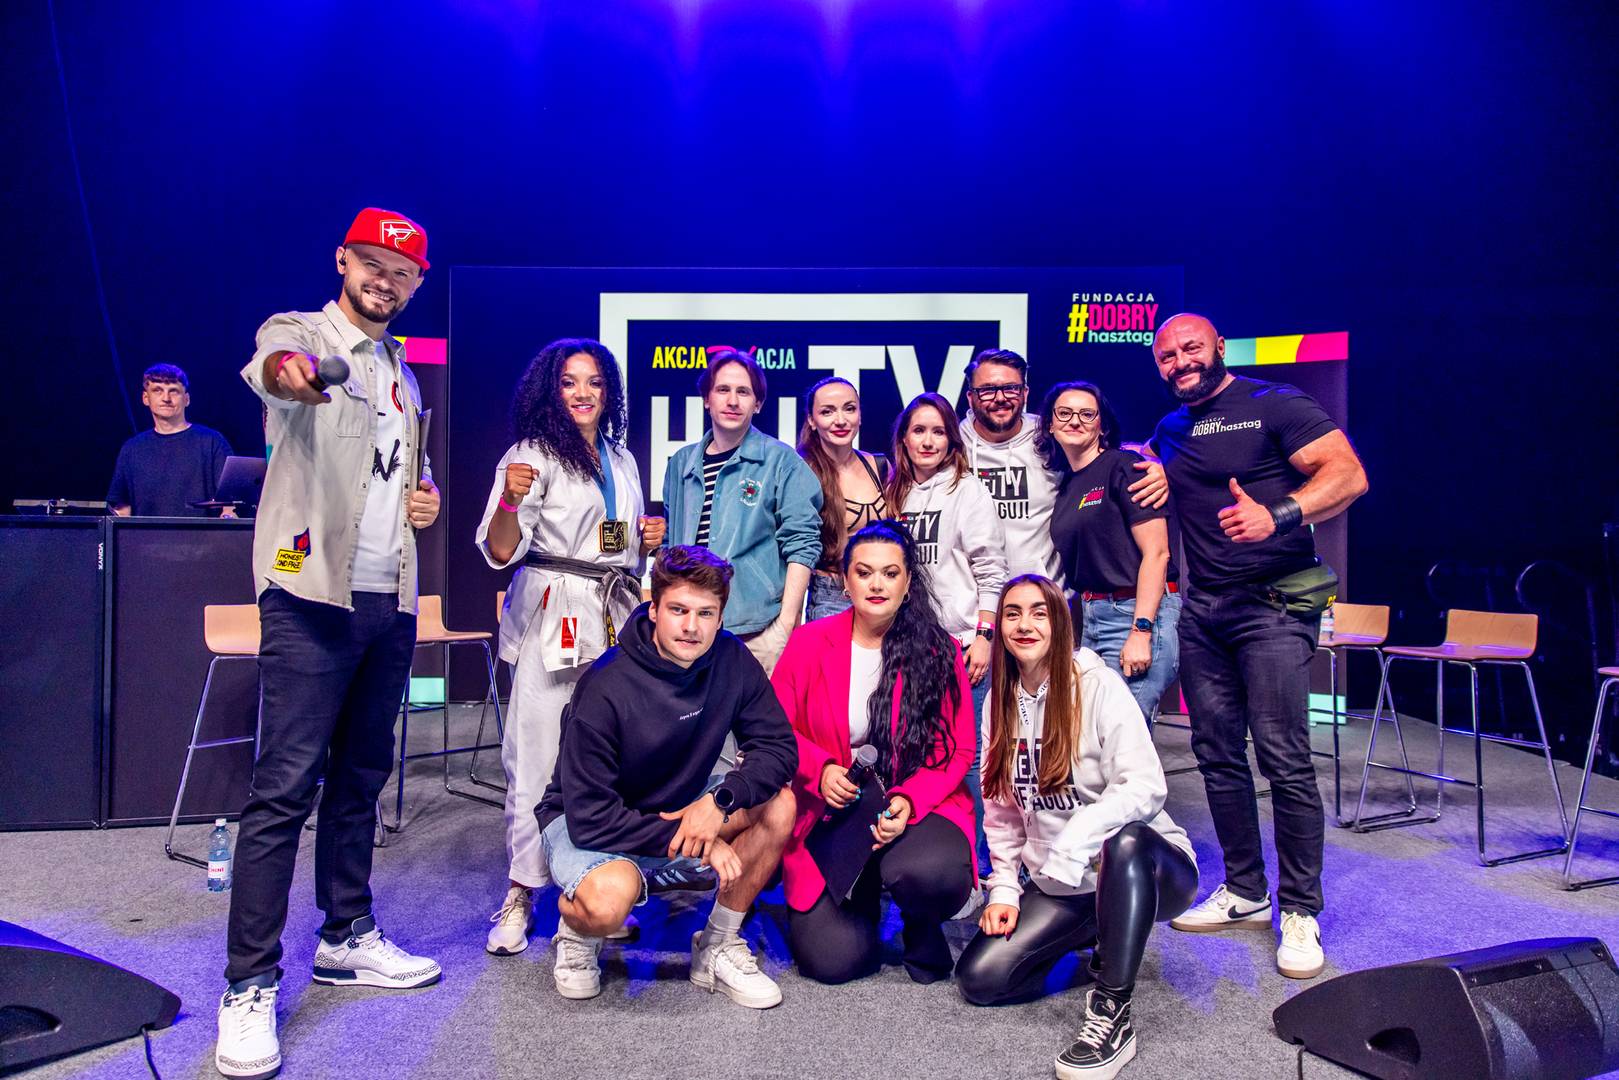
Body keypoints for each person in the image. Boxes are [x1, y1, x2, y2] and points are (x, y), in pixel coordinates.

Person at [216, 208, 443, 1080]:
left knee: (360, 779)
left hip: (389, 598)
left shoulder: (401, 371)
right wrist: (302, 375)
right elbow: (279, 372)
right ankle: (249, 984)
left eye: (402, 273)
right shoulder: (303, 333)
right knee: (283, 791)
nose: (385, 281)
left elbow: (399, 471)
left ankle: (345, 934)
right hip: (310, 593)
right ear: (343, 260)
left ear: (415, 285)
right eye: (373, 264)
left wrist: (424, 497)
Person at [1145, 313, 1367, 980]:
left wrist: (1278, 513)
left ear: (1217, 347)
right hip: (1205, 610)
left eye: (1191, 348)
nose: (1180, 361)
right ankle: (1246, 890)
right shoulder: (1171, 429)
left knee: (1282, 757)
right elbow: (1151, 465)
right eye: (1166, 355)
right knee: (1216, 754)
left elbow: (1348, 475)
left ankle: (1299, 909)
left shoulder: (1276, 403)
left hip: (1272, 605)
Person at [956, 575, 1197, 1080]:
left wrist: (1076, 838)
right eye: (1012, 613)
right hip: (1064, 883)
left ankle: (1112, 1010)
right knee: (981, 979)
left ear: (1060, 623)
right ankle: (1103, 934)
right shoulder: (999, 702)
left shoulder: (1098, 686)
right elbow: (1001, 811)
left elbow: (1145, 786)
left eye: (1038, 613)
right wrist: (1005, 890)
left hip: (1151, 869)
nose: (1024, 624)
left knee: (1124, 840)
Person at [536, 545, 798, 1007]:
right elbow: (590, 817)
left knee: (779, 804)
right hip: (590, 826)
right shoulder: (606, 685)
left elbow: (778, 748)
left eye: (705, 613)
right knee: (608, 901)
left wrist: (719, 803)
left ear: (720, 617)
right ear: (654, 609)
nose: (691, 626)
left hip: (678, 809)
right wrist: (701, 840)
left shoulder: (732, 661)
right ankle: (577, 928)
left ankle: (717, 944)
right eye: (678, 610)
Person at [474, 338, 665, 956]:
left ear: (609, 393)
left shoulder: (621, 458)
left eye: (595, 382)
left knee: (609, 756)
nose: (583, 393)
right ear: (549, 390)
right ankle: (520, 891)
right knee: (536, 755)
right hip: (553, 609)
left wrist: (645, 541)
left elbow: (617, 545)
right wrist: (510, 496)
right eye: (569, 382)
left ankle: (592, 882)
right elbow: (501, 549)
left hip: (615, 612)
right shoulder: (530, 454)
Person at [771, 520, 976, 983]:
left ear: (908, 582)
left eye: (890, 573)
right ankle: (861, 890)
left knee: (932, 874)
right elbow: (775, 730)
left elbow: (958, 748)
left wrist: (908, 801)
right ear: (846, 581)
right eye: (864, 573)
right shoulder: (808, 642)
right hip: (830, 815)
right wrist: (821, 770)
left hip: (914, 807)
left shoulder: (939, 650)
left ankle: (920, 918)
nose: (876, 584)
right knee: (835, 962)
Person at [887, 391, 1008, 870]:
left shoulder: (968, 490)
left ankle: (981, 868)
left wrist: (985, 637)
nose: (928, 440)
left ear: (951, 440)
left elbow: (992, 571)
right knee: (918, 756)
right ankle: (928, 857)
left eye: (938, 431)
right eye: (919, 430)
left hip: (960, 646)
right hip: (908, 648)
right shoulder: (894, 493)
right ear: (903, 438)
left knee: (969, 759)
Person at [663, 349, 822, 675]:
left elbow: (803, 546)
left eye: (743, 392)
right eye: (723, 390)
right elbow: (668, 546)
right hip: (687, 628)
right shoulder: (680, 463)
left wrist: (784, 627)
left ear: (757, 404)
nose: (732, 401)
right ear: (707, 399)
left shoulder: (782, 462)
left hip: (755, 631)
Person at [1037, 381, 1181, 725]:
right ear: (1050, 425)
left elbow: (1157, 553)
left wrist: (1141, 631)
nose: (1075, 420)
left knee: (1125, 735)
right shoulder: (1067, 483)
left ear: (1101, 425)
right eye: (1064, 413)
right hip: (1093, 619)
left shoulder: (1125, 467)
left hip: (1135, 614)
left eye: (1087, 414)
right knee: (1097, 735)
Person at [960, 349, 1167, 585]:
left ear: (1025, 393)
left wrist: (1156, 466)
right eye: (987, 390)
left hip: (1046, 596)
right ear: (970, 397)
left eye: (1011, 388)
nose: (1000, 398)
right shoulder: (953, 447)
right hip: (979, 597)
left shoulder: (1048, 437)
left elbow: (1099, 453)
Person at [797, 375, 891, 619]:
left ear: (860, 415)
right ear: (812, 420)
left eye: (849, 409)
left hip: (882, 591)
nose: (840, 420)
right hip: (832, 595)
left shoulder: (879, 465)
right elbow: (794, 551)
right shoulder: (802, 472)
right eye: (827, 412)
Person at [107, 363, 234, 517]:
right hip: (147, 534)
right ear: (146, 398)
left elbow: (230, 504)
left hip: (201, 533)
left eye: (174, 391)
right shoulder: (132, 448)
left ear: (186, 399)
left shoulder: (212, 442)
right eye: (157, 390)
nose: (166, 398)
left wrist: (228, 521)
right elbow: (122, 508)